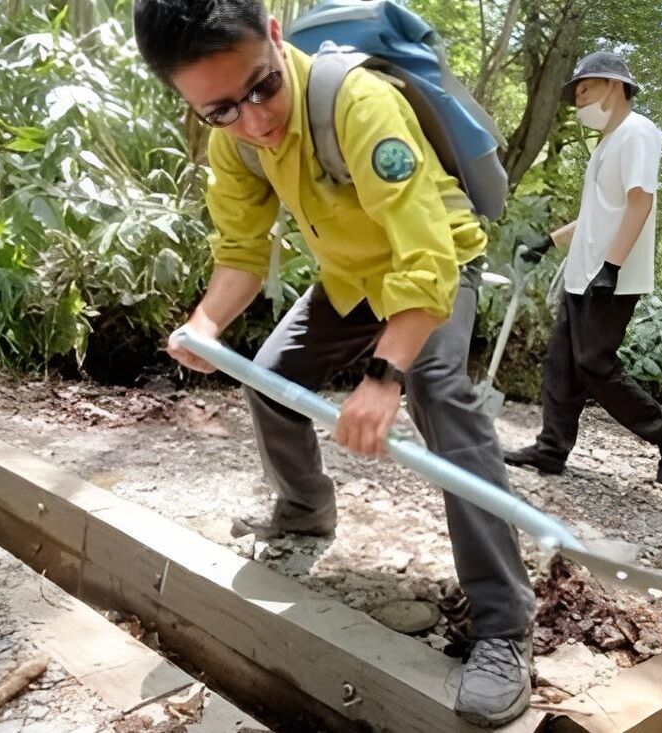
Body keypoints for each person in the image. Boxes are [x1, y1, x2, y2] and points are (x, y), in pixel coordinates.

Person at [132, 1, 535, 725]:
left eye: (261, 88)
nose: (253, 121)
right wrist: (205, 320)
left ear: (276, 39)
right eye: (222, 109)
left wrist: (385, 376)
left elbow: (426, 257)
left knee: (438, 393)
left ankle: (505, 626)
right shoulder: (237, 138)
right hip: (351, 278)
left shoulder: (360, 103)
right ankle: (306, 511)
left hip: (435, 264)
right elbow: (241, 255)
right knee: (272, 377)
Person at [501, 51, 662, 483]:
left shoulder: (638, 133)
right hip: (583, 272)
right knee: (563, 364)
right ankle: (550, 449)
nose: (580, 100)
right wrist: (549, 242)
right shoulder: (609, 141)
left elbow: (641, 202)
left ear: (615, 86)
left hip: (610, 277)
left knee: (594, 362)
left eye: (585, 89)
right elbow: (598, 212)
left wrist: (612, 266)